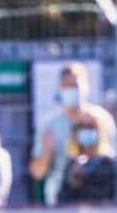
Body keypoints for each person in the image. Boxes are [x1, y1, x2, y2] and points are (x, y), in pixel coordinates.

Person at [30, 63, 88, 205]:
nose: (71, 89)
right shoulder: (49, 126)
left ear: (85, 87)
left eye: (75, 85)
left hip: (94, 198)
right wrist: (47, 153)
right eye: (67, 85)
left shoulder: (100, 120)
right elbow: (37, 172)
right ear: (59, 89)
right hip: (58, 200)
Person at [56, 104, 117, 204]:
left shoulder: (107, 163)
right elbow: (61, 200)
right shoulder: (71, 163)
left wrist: (84, 178)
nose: (86, 130)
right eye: (82, 127)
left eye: (90, 127)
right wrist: (73, 181)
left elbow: (108, 197)